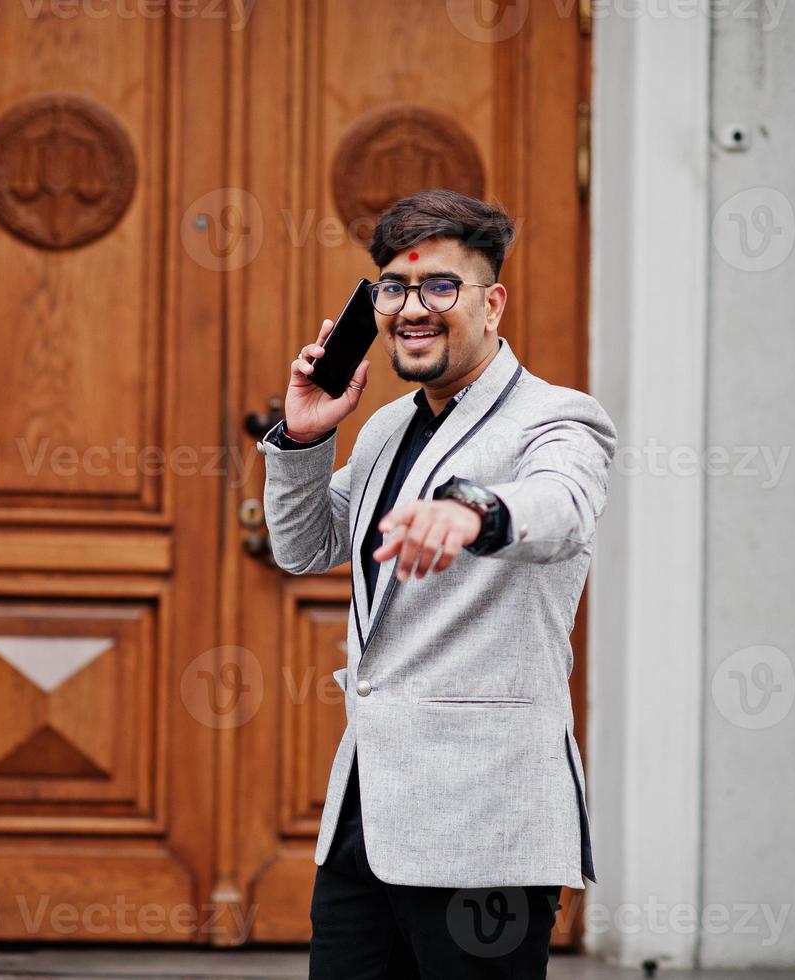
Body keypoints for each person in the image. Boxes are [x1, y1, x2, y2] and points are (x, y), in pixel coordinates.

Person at [256, 188, 618, 978]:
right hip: (365, 818)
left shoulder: (558, 418)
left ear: (492, 304)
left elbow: (560, 506)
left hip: (481, 827)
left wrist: (474, 512)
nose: (411, 308)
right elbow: (303, 546)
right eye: (393, 287)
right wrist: (303, 439)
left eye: (439, 287)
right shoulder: (386, 425)